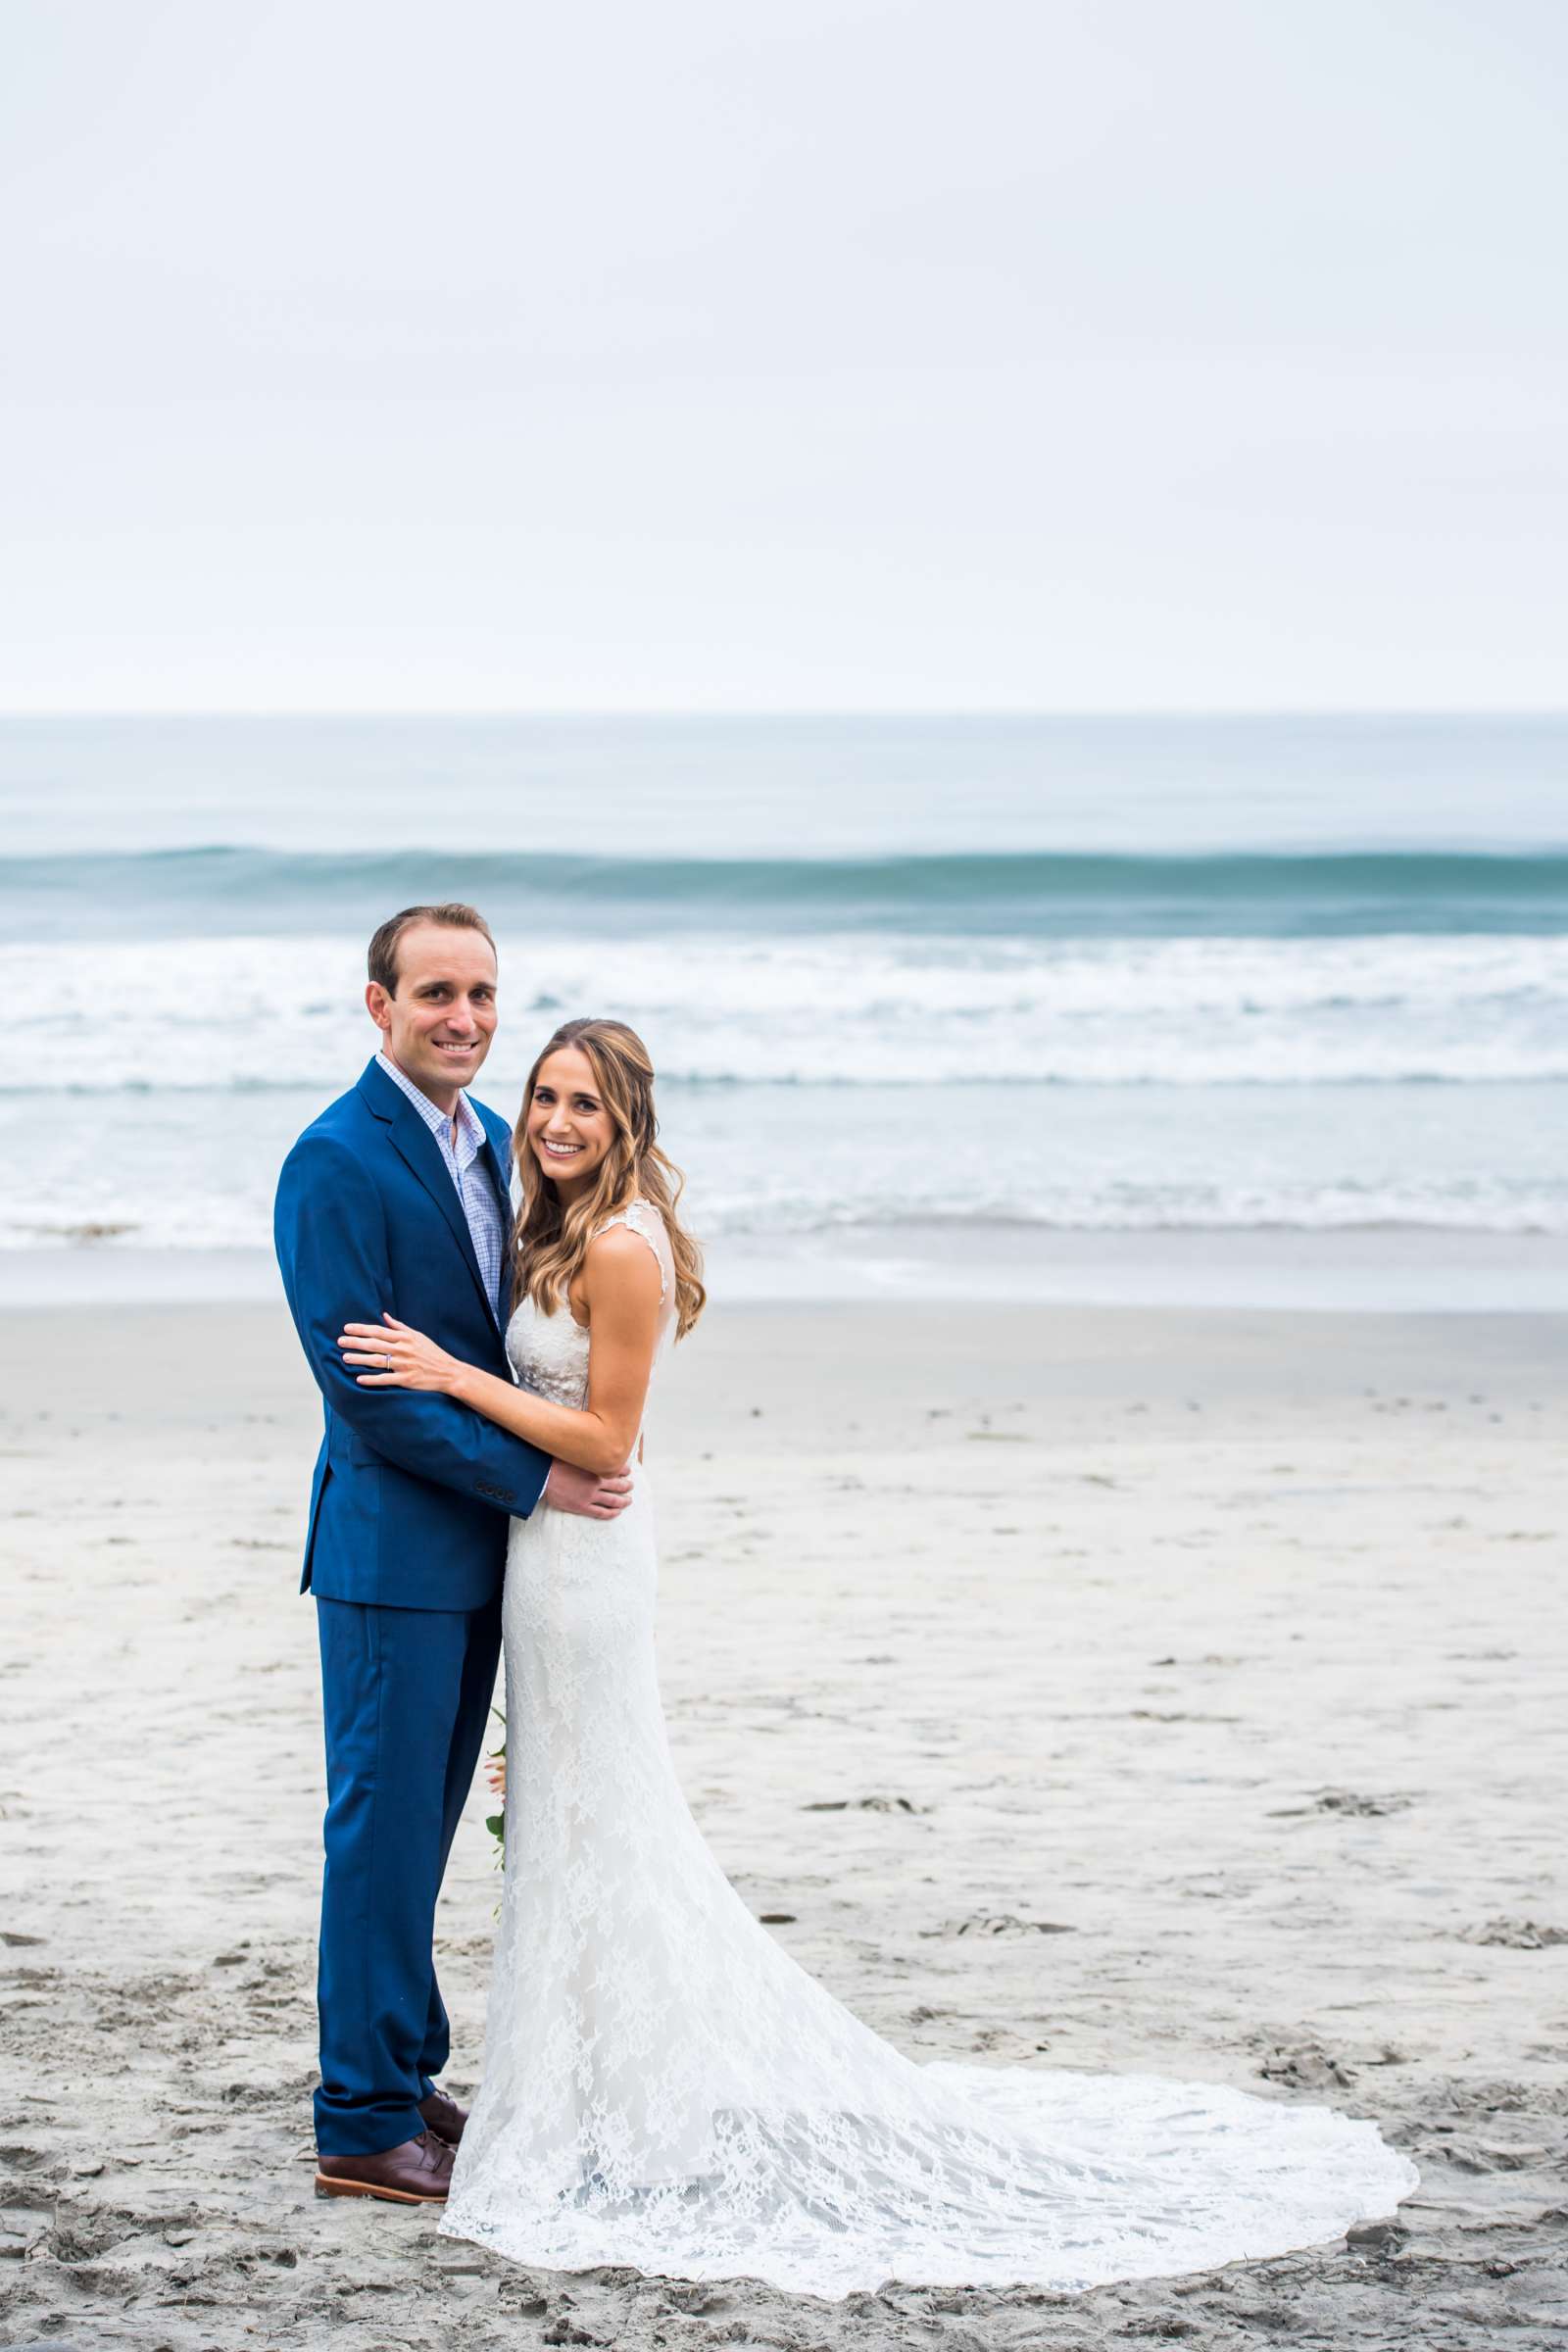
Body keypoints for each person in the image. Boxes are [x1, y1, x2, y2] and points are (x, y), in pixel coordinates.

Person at [334, 1013, 1419, 2298]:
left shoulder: (621, 1251)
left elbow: (608, 1441)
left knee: (600, 1817)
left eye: (588, 1106)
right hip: (541, 1561)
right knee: (563, 1822)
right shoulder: (553, 1231)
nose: (560, 1123)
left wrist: (452, 1378)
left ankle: (608, 2083)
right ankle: (574, 2070)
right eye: (548, 1100)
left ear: (630, 1124)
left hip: (586, 1566)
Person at [273, 906, 634, 2207]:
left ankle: (400, 2067)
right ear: (378, 1005)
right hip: (389, 1557)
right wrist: (537, 1476)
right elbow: (367, 1391)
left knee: (421, 1830)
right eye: (436, 993)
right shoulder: (332, 1161)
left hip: (487, 1556)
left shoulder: (493, 1139)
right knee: (376, 1831)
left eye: (483, 994)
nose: (465, 1018)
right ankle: (359, 2120)